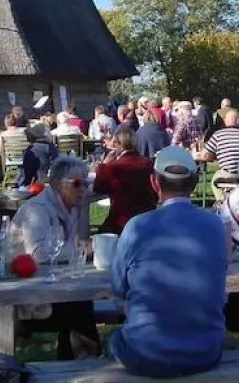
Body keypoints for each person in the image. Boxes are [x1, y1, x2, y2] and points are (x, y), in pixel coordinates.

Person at [107, 146, 229, 383]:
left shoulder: (137, 226)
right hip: (205, 351)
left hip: (147, 352)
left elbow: (117, 286)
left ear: (154, 182)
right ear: (195, 184)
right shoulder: (216, 226)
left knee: (114, 341)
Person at [9, 157, 100, 360]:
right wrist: (84, 249)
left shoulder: (72, 208)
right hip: (21, 294)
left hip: (50, 285)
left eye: (85, 183)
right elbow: (39, 254)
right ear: (58, 184)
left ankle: (80, 361)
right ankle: (86, 360)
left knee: (80, 302)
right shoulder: (38, 210)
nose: (83, 189)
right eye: (76, 184)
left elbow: (68, 249)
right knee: (79, 306)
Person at [93, 126, 157, 234]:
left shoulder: (112, 167)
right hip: (148, 218)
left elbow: (98, 188)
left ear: (118, 144)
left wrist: (103, 165)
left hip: (121, 222)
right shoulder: (148, 163)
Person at [199, 107, 239, 199]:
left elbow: (205, 155)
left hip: (227, 173)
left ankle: (221, 201)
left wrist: (215, 157)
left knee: (214, 181)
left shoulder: (218, 135)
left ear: (225, 120)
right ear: (238, 121)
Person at [20, 122, 59, 186]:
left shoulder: (31, 150)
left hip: (35, 185)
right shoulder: (51, 147)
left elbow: (27, 174)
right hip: (52, 182)